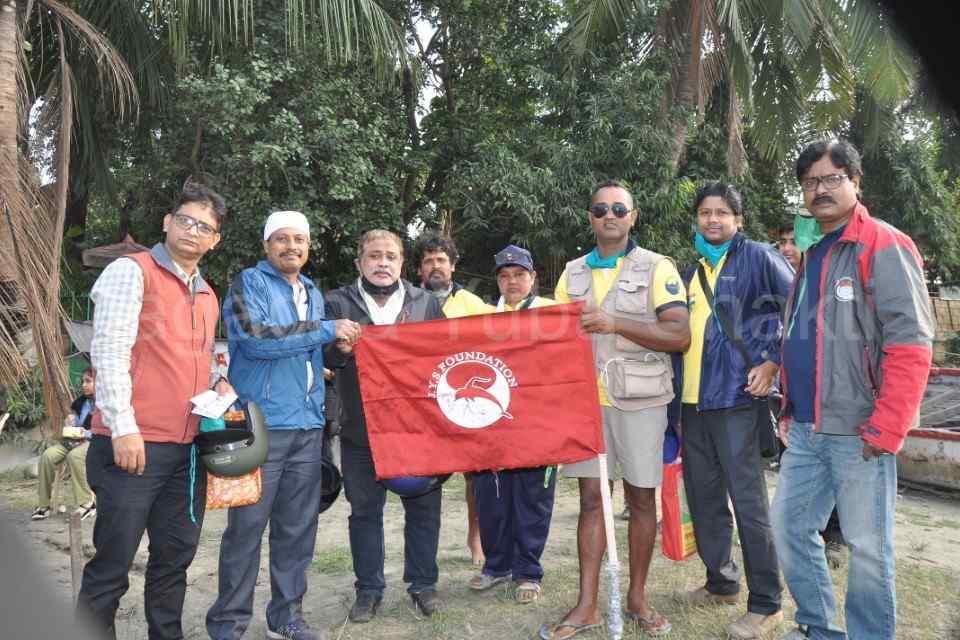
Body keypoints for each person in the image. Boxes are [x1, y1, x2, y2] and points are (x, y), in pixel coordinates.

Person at [772, 140, 934, 640]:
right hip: (806, 429)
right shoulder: (814, 251)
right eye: (810, 182)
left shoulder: (884, 245)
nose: (820, 190)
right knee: (790, 531)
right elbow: (804, 333)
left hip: (861, 433)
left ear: (855, 183)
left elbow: (910, 343)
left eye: (831, 179)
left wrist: (889, 425)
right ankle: (819, 628)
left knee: (867, 549)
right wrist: (788, 399)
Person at [77, 182, 232, 640]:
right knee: (113, 564)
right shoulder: (132, 271)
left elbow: (196, 365)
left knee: (173, 562)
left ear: (214, 240)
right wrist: (123, 429)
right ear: (167, 222)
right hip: (133, 447)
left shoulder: (206, 293)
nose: (193, 231)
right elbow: (108, 352)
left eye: (204, 227)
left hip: (186, 454)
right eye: (185, 220)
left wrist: (217, 387)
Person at [539, 180, 690, 639]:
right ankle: (586, 606)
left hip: (641, 402)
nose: (610, 215)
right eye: (601, 208)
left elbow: (679, 334)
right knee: (590, 501)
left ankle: (637, 598)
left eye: (619, 209)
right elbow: (553, 336)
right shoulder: (572, 272)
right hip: (586, 402)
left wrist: (615, 321)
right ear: (590, 217)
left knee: (641, 499)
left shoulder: (657, 267)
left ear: (633, 217)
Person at [206, 211, 361, 640]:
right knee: (246, 530)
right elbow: (255, 338)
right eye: (281, 239)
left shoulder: (311, 290)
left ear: (309, 247)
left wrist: (340, 350)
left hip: (309, 427)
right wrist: (326, 329)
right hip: (261, 425)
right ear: (266, 246)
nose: (291, 247)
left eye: (300, 240)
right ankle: (228, 624)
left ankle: (285, 617)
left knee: (297, 529)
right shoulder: (249, 284)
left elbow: (314, 354)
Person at [675, 182, 791, 639]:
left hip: (738, 398)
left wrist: (774, 360)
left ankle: (767, 604)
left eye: (722, 212)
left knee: (748, 503)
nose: (713, 220)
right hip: (692, 402)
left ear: (738, 220)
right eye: (705, 212)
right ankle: (721, 582)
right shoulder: (692, 268)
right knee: (704, 500)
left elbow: (800, 307)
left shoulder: (759, 257)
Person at [325, 229, 446, 622]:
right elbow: (320, 356)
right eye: (374, 256)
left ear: (401, 263)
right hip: (360, 429)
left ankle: (424, 585)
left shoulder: (425, 301)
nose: (382, 263)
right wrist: (337, 351)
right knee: (364, 512)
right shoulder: (336, 302)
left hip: (417, 431)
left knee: (424, 510)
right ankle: (369, 590)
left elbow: (444, 359)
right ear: (359, 262)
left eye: (390, 256)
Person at [468, 245, 557, 605]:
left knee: (532, 498)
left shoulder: (552, 314)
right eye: (505, 276)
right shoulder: (485, 319)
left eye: (519, 275)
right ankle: (497, 565)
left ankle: (528, 572)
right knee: (492, 497)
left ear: (533, 278)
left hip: (539, 424)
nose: (512, 281)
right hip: (496, 424)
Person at [415, 231, 489, 565]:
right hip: (423, 401)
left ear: (453, 266)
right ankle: (424, 549)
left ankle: (476, 539)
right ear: (419, 268)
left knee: (474, 475)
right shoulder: (408, 301)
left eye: (441, 260)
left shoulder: (474, 305)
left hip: (463, 402)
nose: (435, 266)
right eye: (428, 260)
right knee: (427, 476)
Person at [777, 217, 847, 570]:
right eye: (783, 242)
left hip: (840, 406)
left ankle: (834, 538)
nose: (788, 247)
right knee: (795, 511)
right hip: (798, 406)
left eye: (794, 240)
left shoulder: (829, 276)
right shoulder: (790, 281)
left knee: (839, 480)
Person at [32, 367, 97, 521]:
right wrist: (70, 421)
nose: (83, 385)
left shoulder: (105, 403)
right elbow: (74, 420)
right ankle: (44, 505)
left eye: (88, 381)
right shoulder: (81, 401)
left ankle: (87, 503)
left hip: (94, 442)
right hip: (73, 440)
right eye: (82, 381)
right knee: (47, 456)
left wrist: (84, 433)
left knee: (74, 457)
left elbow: (104, 431)